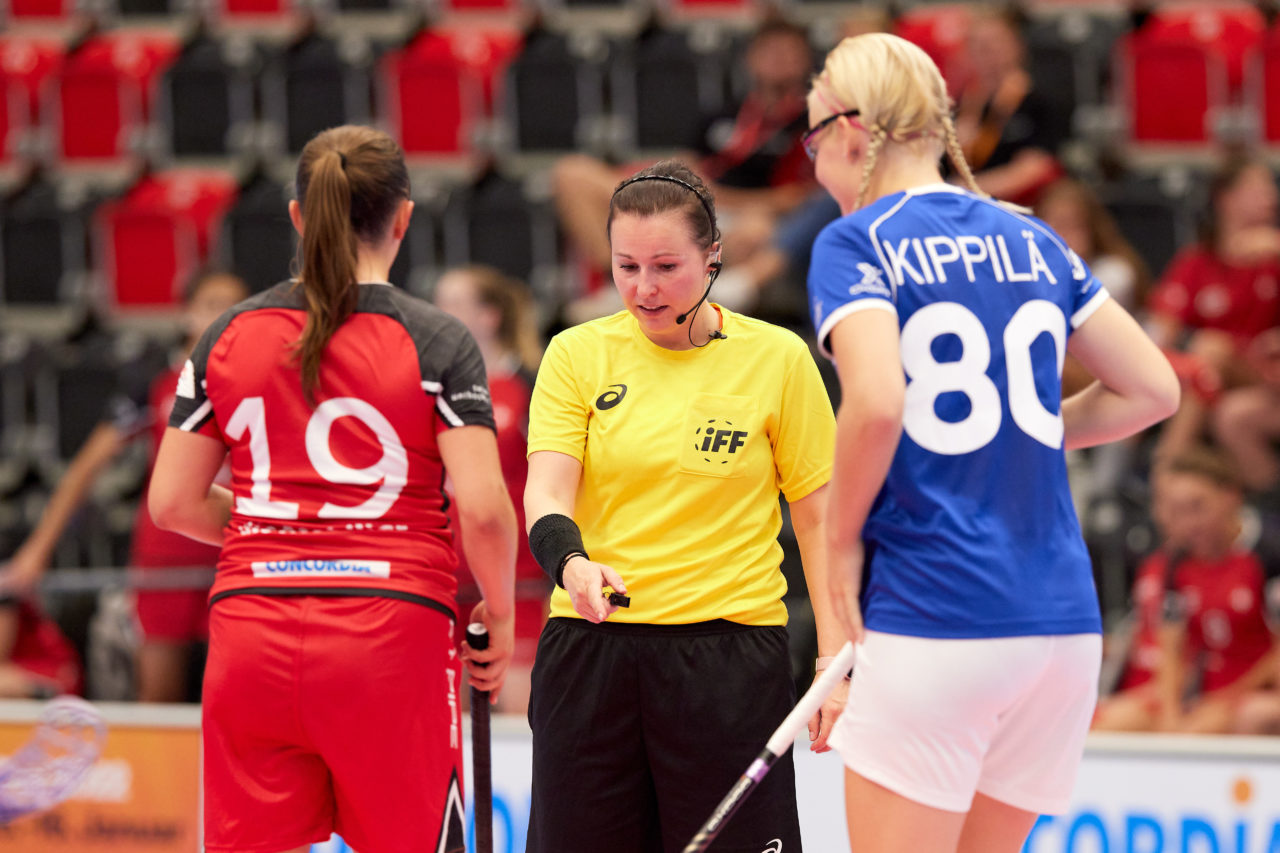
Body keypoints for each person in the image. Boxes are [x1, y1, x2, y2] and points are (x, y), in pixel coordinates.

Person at [805, 33, 1179, 853]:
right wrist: (1036, 427)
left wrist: (837, 547)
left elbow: (875, 404)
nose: (816, 167)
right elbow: (1155, 388)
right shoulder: (1030, 234)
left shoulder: (857, 241)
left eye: (812, 140)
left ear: (852, 132)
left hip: (937, 613)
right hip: (1061, 628)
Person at [148, 125, 517, 853]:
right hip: (390, 636)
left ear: (297, 215)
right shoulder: (437, 339)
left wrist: (285, 531)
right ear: (403, 218)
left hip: (250, 634)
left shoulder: (226, 332)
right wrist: (499, 614)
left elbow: (171, 502)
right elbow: (481, 506)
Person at [523, 159, 840, 853]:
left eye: (667, 265)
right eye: (626, 265)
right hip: (591, 649)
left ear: (714, 255)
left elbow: (820, 519)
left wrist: (834, 659)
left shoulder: (779, 358)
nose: (644, 287)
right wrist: (571, 563)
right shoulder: (576, 353)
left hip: (728, 661)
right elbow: (546, 489)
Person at [0, 269, 248, 702]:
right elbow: (85, 467)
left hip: (236, 552)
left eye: (233, 307)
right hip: (165, 557)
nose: (221, 316)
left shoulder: (261, 382)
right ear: (186, 313)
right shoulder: (154, 385)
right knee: (158, 694)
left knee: (241, 695)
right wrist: (38, 549)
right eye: (210, 304)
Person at [553, 16, 816, 319]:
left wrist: (721, 197)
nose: (778, 60)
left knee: (757, 229)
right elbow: (691, 163)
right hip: (694, 200)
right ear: (751, 58)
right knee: (571, 173)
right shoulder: (724, 112)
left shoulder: (808, 122)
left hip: (750, 215)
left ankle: (707, 295)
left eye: (788, 53)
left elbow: (800, 198)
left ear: (805, 61)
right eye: (770, 51)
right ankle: (621, 276)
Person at [1093, 447, 1280, 734]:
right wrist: (1171, 716)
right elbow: (1173, 645)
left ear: (1231, 497)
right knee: (1111, 723)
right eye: (1176, 511)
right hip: (1201, 694)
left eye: (1197, 507)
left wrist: (1229, 700)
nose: (1188, 523)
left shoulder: (1268, 554)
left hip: (1254, 693)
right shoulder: (1173, 564)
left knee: (1248, 717)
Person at [433, 264, 545, 714]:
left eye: (454, 302)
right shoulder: (430, 388)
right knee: (450, 728)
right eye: (438, 302)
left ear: (489, 316)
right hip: (447, 584)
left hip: (518, 585)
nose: (441, 314)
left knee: (521, 722)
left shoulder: (530, 385)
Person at [1147, 154, 1280, 460]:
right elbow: (1159, 331)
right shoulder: (1196, 262)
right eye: (1258, 188)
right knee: (1200, 363)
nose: (1271, 197)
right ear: (1226, 198)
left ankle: (1164, 471)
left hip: (1264, 373)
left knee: (1211, 350)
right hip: (1209, 374)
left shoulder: (1273, 258)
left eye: (1271, 188)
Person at [950, 6, 1068, 206]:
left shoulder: (1039, 100)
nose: (987, 53)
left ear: (1017, 45)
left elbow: (1036, 167)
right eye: (978, 45)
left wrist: (966, 189)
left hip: (1024, 207)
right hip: (969, 204)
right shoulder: (962, 104)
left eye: (995, 43)